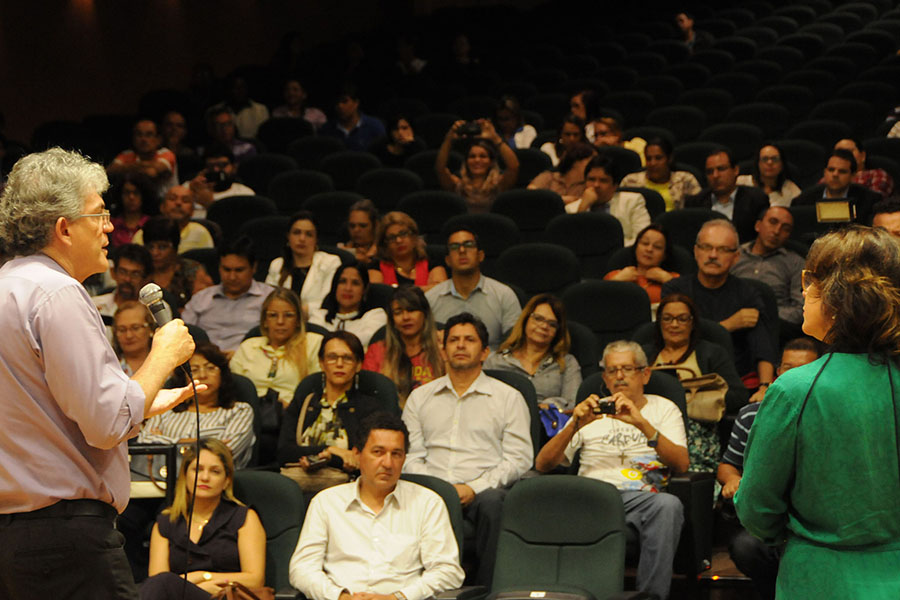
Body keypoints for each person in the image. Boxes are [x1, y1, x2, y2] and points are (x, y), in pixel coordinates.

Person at [0, 147, 198, 599]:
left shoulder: (7, 286)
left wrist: (141, 400)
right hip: (64, 538)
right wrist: (163, 354)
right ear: (64, 228)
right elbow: (106, 423)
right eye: (99, 214)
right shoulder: (57, 293)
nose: (110, 227)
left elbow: (40, 412)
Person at [735, 226, 900, 599]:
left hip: (822, 579)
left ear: (838, 296)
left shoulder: (794, 390)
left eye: (810, 281)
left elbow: (757, 508)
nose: (805, 291)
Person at [534, 340, 688, 600]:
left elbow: (681, 464)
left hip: (641, 499)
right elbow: (542, 464)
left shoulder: (663, 409)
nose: (619, 376)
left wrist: (642, 423)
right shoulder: (590, 411)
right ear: (604, 378)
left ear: (645, 374)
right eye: (612, 370)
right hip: (592, 496)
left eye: (627, 369)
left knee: (668, 505)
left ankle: (650, 597)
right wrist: (575, 425)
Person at [403, 313, 533, 586]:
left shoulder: (508, 398)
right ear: (443, 350)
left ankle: (488, 590)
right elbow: (410, 456)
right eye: (454, 340)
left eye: (469, 340)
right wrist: (440, 488)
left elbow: (518, 458)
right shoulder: (420, 397)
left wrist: (474, 487)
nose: (460, 345)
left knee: (494, 504)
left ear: (485, 352)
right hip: (431, 489)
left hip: (483, 493)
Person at [289, 412, 465, 600]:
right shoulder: (327, 503)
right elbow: (302, 569)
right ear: (357, 454)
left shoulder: (427, 503)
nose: (388, 463)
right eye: (378, 452)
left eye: (396, 454)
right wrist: (340, 597)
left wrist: (397, 598)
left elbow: (448, 571)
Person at [718, 337, 820, 600]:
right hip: (768, 517)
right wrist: (732, 479)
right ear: (778, 371)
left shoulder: (826, 413)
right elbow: (728, 465)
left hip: (813, 519)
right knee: (746, 546)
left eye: (803, 369)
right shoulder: (751, 414)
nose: (793, 375)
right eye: (788, 367)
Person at [662, 219, 777, 403]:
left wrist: (764, 387)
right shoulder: (675, 290)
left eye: (723, 249)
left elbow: (762, 345)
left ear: (736, 257)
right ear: (696, 251)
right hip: (684, 377)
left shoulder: (748, 293)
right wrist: (729, 325)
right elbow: (674, 336)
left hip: (734, 381)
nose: (713, 255)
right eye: (707, 247)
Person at [141, 439, 266, 599]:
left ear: (226, 480)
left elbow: (255, 580)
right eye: (198, 469)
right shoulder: (166, 523)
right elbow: (156, 583)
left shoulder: (244, 518)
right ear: (185, 475)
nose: (205, 477)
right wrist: (190, 585)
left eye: (215, 471)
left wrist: (203, 577)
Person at [643, 294, 748, 473]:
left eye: (682, 319)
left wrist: (696, 397)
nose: (674, 325)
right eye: (667, 318)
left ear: (692, 323)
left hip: (696, 430)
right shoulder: (643, 355)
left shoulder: (712, 353)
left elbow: (739, 395)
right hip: (649, 424)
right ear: (659, 322)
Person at [277, 331, 381, 481]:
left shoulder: (369, 408)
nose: (339, 364)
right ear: (321, 363)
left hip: (347, 486)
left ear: (358, 365)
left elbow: (365, 459)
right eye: (332, 357)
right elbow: (284, 452)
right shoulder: (303, 402)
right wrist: (330, 450)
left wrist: (330, 459)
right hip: (297, 484)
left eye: (347, 358)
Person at [138, 342, 257, 468]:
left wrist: (165, 441)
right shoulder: (166, 410)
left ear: (222, 374)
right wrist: (207, 442)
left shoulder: (239, 411)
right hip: (161, 477)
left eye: (210, 368)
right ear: (184, 378)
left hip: (211, 479)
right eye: (194, 370)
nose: (203, 375)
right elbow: (144, 443)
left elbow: (223, 453)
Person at [425, 228, 521, 350]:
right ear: (447, 260)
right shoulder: (430, 298)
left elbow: (515, 345)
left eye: (469, 245)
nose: (462, 250)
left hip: (492, 361)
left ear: (481, 256)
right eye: (454, 247)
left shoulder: (504, 295)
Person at [484, 293, 582, 412]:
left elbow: (574, 404)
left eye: (552, 324)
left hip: (548, 420)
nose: (544, 326)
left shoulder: (567, 363)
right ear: (525, 320)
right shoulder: (495, 361)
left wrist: (550, 406)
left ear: (558, 331)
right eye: (538, 319)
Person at [230, 287, 324, 406]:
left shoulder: (314, 343)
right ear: (265, 321)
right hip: (250, 411)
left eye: (288, 315)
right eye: (273, 315)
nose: (280, 321)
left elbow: (320, 387)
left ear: (298, 320)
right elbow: (231, 388)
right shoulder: (248, 346)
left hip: (294, 411)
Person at [182, 237, 274, 354]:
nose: (232, 277)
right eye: (226, 270)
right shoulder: (201, 298)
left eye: (239, 270)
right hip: (204, 360)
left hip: (249, 360)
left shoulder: (270, 298)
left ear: (254, 268)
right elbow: (182, 335)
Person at [363, 286, 445, 406]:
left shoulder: (441, 347)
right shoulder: (377, 351)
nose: (405, 317)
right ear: (392, 320)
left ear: (425, 314)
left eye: (411, 310)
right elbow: (366, 395)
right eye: (398, 312)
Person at [731, 206, 805, 332]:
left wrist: (763, 316)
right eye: (773, 222)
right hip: (732, 323)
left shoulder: (796, 263)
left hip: (776, 329)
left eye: (785, 229)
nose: (777, 231)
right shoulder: (734, 255)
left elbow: (800, 308)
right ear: (758, 225)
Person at [684, 148, 770, 243]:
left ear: (735, 170)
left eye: (721, 169)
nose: (715, 175)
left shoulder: (756, 199)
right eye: (710, 171)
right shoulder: (695, 203)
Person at [265, 211, 342, 315]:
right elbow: (268, 302)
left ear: (316, 239)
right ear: (288, 236)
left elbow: (328, 302)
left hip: (316, 321)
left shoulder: (330, 263)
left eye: (309, 234)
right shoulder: (277, 265)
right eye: (297, 233)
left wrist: (297, 312)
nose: (302, 239)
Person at [436, 119, 520, 213]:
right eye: (472, 156)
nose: (477, 160)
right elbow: (440, 169)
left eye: (483, 156)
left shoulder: (499, 184)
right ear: (466, 161)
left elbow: (514, 167)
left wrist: (495, 138)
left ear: (491, 162)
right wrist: (448, 140)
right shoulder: (457, 185)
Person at [566, 155, 651, 246]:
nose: (596, 185)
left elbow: (644, 239)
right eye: (591, 179)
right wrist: (582, 208)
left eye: (603, 180)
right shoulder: (571, 209)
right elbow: (570, 241)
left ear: (615, 185)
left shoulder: (632, 202)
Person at [793, 149, 883, 226]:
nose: (835, 174)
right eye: (831, 170)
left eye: (842, 171)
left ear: (853, 176)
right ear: (824, 172)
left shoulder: (870, 201)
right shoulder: (803, 201)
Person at [308, 263, 388, 348]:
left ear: (365, 289)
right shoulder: (319, 316)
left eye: (355, 283)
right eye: (342, 282)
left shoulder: (375, 317)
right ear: (335, 286)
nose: (348, 288)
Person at [142, 216, 213, 310]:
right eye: (150, 247)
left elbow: (206, 308)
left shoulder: (193, 271)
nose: (155, 253)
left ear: (175, 247)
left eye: (162, 247)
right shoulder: (140, 270)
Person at [604, 223, 680, 305]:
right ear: (636, 247)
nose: (649, 249)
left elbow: (688, 300)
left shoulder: (675, 278)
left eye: (657, 247)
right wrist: (617, 281)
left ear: (665, 255)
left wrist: (667, 279)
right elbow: (600, 302)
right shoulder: (615, 275)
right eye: (645, 243)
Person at [368, 211, 447, 290]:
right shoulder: (376, 266)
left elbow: (440, 290)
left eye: (403, 234)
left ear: (414, 236)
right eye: (392, 238)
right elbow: (375, 293)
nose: (398, 240)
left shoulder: (432, 264)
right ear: (385, 244)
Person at [620, 137, 702, 211]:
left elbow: (698, 211)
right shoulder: (630, 182)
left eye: (658, 158)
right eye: (648, 159)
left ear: (669, 159)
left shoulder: (685, 180)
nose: (652, 163)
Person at [133, 184, 214, 253]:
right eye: (172, 199)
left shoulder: (201, 233)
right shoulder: (142, 234)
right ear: (162, 207)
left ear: (192, 210)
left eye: (185, 200)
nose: (178, 203)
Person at [108, 118, 178, 194]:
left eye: (149, 135)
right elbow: (110, 170)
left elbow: (152, 173)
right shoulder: (127, 154)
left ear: (158, 139)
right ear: (133, 139)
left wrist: (127, 167)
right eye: (139, 134)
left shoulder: (166, 154)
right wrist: (144, 167)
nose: (143, 139)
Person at [188, 143, 256, 219]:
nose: (216, 170)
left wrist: (210, 204)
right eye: (210, 166)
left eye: (222, 165)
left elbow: (238, 222)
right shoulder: (189, 187)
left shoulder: (244, 193)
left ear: (233, 168)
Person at [318, 84, 386, 152]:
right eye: (336, 102)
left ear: (356, 103)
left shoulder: (374, 126)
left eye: (344, 101)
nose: (340, 106)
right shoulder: (326, 129)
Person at [528, 140, 596, 204]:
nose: (594, 166)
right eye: (591, 161)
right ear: (576, 162)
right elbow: (530, 193)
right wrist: (561, 199)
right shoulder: (549, 177)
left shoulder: (589, 185)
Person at [735, 143, 802, 207]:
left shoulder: (791, 190)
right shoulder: (740, 182)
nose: (770, 163)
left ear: (782, 164)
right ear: (758, 163)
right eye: (765, 159)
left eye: (775, 159)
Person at [108, 172, 156, 247]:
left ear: (143, 195)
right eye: (127, 193)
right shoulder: (111, 225)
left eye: (136, 193)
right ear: (120, 195)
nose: (131, 197)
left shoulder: (152, 224)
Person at [113, 301, 156, 376]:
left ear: (150, 329)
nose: (128, 336)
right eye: (122, 330)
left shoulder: (166, 363)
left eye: (135, 328)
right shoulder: (109, 369)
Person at [337, 198, 378, 266]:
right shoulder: (340, 252)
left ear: (375, 225)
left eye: (363, 226)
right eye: (352, 226)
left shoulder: (384, 253)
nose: (356, 230)